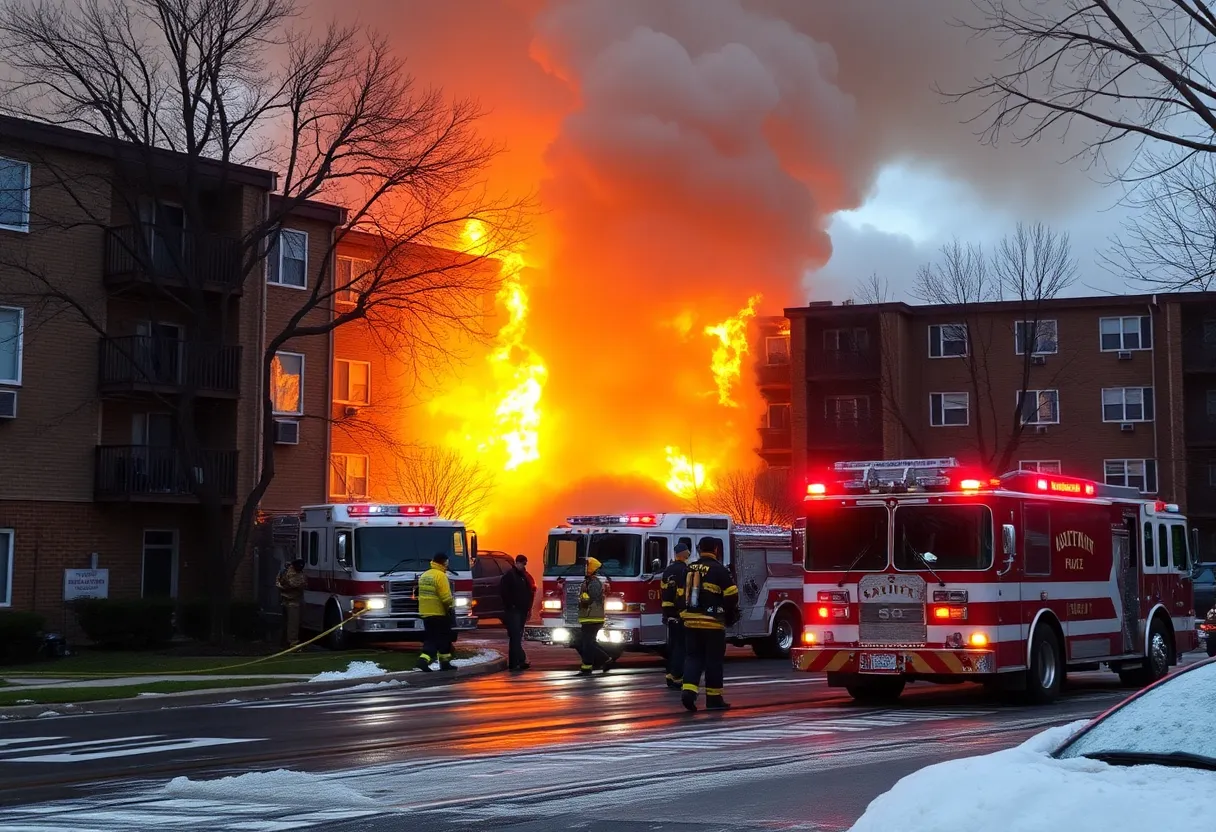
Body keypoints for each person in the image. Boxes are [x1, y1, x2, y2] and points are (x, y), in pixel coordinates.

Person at [679, 537, 739, 712]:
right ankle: (714, 699)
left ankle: (688, 693)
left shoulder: (689, 568)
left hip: (690, 622)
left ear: (698, 549)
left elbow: (681, 594)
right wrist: (727, 614)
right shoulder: (719, 570)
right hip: (712, 624)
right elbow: (732, 594)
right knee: (713, 660)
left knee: (693, 657)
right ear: (715, 549)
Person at [415, 552, 456, 672]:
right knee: (438, 639)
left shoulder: (425, 575)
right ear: (445, 562)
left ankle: (445, 664)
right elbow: (446, 598)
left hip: (426, 613)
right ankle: (423, 660)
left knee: (439, 638)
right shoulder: (441, 576)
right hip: (439, 613)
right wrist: (451, 608)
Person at [661, 541, 692, 690]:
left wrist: (666, 614)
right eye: (687, 552)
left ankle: (669, 675)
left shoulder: (667, 571)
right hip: (681, 615)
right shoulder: (685, 570)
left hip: (669, 614)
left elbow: (665, 594)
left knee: (672, 646)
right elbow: (683, 595)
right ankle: (678, 677)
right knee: (682, 647)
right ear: (684, 554)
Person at [577, 557, 614, 675]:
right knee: (587, 642)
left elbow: (590, 598)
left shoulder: (594, 583)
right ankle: (606, 659)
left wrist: (582, 598)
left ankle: (587, 667)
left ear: (591, 568)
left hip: (593, 618)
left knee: (587, 643)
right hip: (587, 617)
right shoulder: (587, 582)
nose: (584, 568)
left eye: (587, 566)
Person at [500, 553, 536, 671]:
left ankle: (520, 660)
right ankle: (514, 663)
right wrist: (512, 606)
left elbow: (529, 592)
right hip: (513, 611)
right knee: (515, 637)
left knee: (517, 637)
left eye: (525, 563)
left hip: (522, 611)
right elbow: (504, 593)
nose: (523, 565)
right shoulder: (510, 576)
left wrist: (528, 609)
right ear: (516, 563)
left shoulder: (524, 576)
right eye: (521, 563)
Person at [276, 558, 307, 648]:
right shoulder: (293, 574)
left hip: (285, 601)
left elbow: (278, 583)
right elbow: (298, 584)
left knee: (286, 624)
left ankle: (283, 642)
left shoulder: (283, 572)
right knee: (293, 624)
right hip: (293, 602)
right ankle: (293, 644)